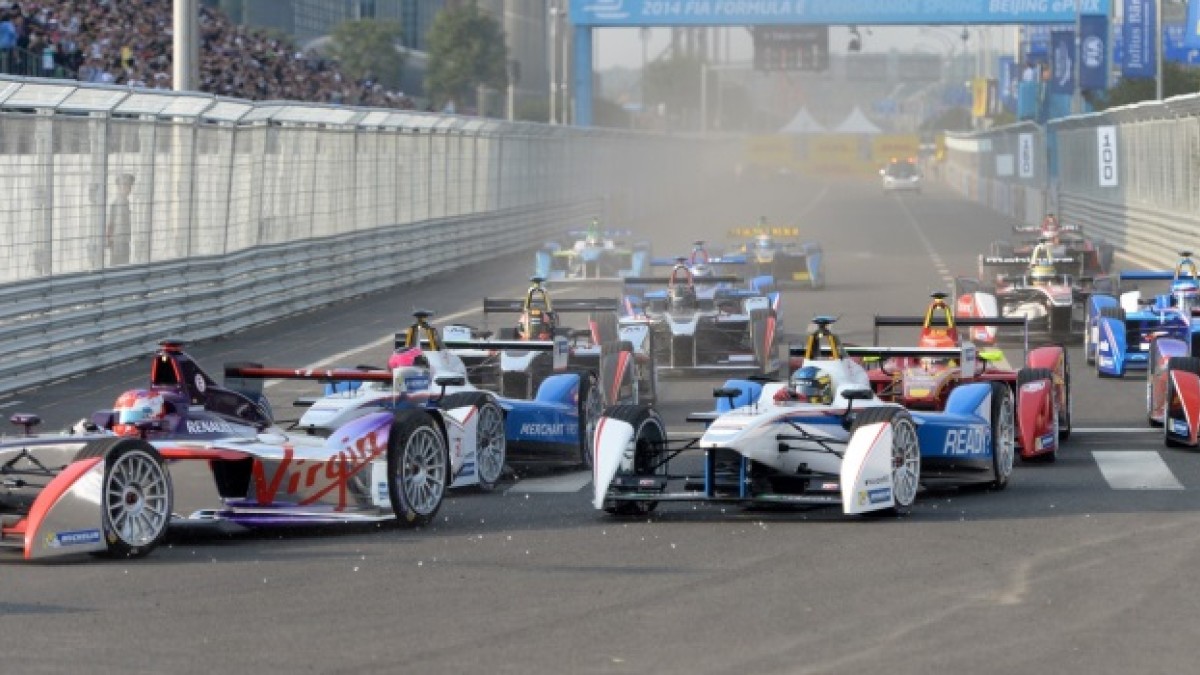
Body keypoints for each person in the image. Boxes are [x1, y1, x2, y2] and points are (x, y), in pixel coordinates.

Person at [107, 173, 134, 265]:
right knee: (118, 264)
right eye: (125, 185)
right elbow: (110, 223)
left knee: (124, 264)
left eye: (130, 186)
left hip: (125, 240)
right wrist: (109, 239)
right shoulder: (117, 203)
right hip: (118, 241)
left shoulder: (126, 202)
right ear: (118, 187)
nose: (128, 188)